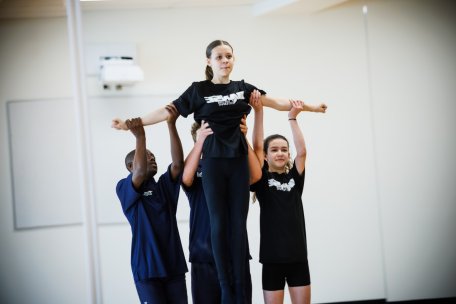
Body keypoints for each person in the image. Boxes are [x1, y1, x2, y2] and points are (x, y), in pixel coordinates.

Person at [112, 39, 326, 303]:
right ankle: (225, 287)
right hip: (213, 162)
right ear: (209, 61)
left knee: (237, 223)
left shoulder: (244, 89)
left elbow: (278, 102)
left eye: (229, 56)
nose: (225, 60)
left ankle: (236, 286)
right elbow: (167, 111)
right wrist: (130, 123)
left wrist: (312, 108)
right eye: (219, 57)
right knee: (218, 222)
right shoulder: (198, 90)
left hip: (237, 162)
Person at [182, 116, 261, 304]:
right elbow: (186, 178)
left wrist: (242, 137)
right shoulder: (197, 167)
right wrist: (201, 141)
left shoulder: (236, 167)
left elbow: (256, 175)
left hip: (235, 253)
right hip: (203, 255)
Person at [115, 104, 188, 304]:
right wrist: (140, 137)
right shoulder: (124, 188)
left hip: (173, 265)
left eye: (153, 156)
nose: (152, 159)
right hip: (147, 269)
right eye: (147, 157)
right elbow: (139, 173)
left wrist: (171, 124)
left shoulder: (164, 186)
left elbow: (178, 165)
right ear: (130, 166)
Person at [249, 98, 314, 304]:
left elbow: (302, 152)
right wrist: (258, 113)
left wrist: (292, 118)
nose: (280, 153)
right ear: (266, 156)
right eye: (274, 150)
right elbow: (257, 146)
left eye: (284, 149)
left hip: (298, 258)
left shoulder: (295, 178)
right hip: (272, 260)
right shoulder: (261, 179)